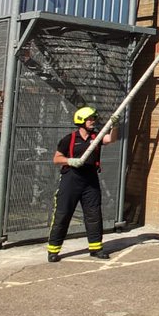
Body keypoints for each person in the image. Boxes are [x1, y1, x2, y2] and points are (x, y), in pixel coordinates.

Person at [47, 106, 119, 263]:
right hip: (71, 179)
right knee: (63, 214)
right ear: (81, 121)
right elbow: (56, 159)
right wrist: (70, 161)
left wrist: (114, 126)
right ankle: (53, 249)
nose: (93, 121)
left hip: (90, 180)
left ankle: (95, 248)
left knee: (93, 214)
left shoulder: (96, 137)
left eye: (94, 118)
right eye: (90, 119)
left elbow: (111, 139)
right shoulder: (69, 139)